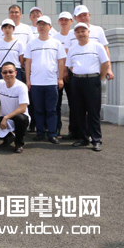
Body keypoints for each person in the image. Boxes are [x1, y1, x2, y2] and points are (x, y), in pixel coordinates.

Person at [66, 23, 111, 152]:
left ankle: (96, 140)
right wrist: (78, 74)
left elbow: (105, 63)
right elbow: (70, 66)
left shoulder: (97, 46)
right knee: (79, 111)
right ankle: (84, 138)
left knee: (93, 111)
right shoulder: (72, 49)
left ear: (88, 32)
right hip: (76, 81)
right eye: (78, 32)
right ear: (75, 34)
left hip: (92, 80)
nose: (81, 34)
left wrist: (98, 78)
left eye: (83, 31)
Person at [24, 15, 66, 143]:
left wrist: (60, 78)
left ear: (50, 27)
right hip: (36, 83)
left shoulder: (56, 43)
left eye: (44, 24)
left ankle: (52, 133)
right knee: (38, 110)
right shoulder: (31, 44)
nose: (41, 26)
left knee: (51, 110)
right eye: (39, 24)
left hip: (51, 82)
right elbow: (28, 63)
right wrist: (28, 80)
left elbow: (61, 62)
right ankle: (40, 132)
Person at [0, 62, 30, 153]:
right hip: (6, 118)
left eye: (10, 72)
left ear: (15, 73)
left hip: (20, 118)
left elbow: (23, 108)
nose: (8, 74)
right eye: (5, 72)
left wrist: (6, 117)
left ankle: (18, 144)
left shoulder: (21, 87)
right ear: (1, 74)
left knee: (20, 118)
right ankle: (8, 137)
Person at [64, 5, 114, 80]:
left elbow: (105, 49)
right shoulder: (71, 33)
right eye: (80, 16)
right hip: (75, 73)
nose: (83, 18)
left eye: (85, 15)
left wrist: (109, 69)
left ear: (89, 15)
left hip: (94, 72)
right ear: (75, 18)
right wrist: (65, 71)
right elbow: (67, 53)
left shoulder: (98, 30)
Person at [54, 11, 77, 139]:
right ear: (58, 22)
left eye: (66, 20)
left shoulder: (75, 35)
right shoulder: (54, 37)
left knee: (73, 103)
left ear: (71, 21)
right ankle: (56, 128)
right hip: (57, 75)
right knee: (56, 104)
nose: (64, 22)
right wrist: (61, 74)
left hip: (71, 74)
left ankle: (73, 130)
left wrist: (67, 71)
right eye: (61, 19)